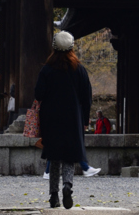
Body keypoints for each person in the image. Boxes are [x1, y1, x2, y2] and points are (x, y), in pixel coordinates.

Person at [36, 31, 92, 209]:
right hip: (72, 117)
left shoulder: (46, 69)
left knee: (54, 157)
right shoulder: (79, 69)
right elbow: (87, 96)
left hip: (50, 118)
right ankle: (67, 185)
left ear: (54, 47)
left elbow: (38, 94)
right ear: (72, 47)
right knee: (69, 156)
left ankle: (54, 196)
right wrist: (85, 118)